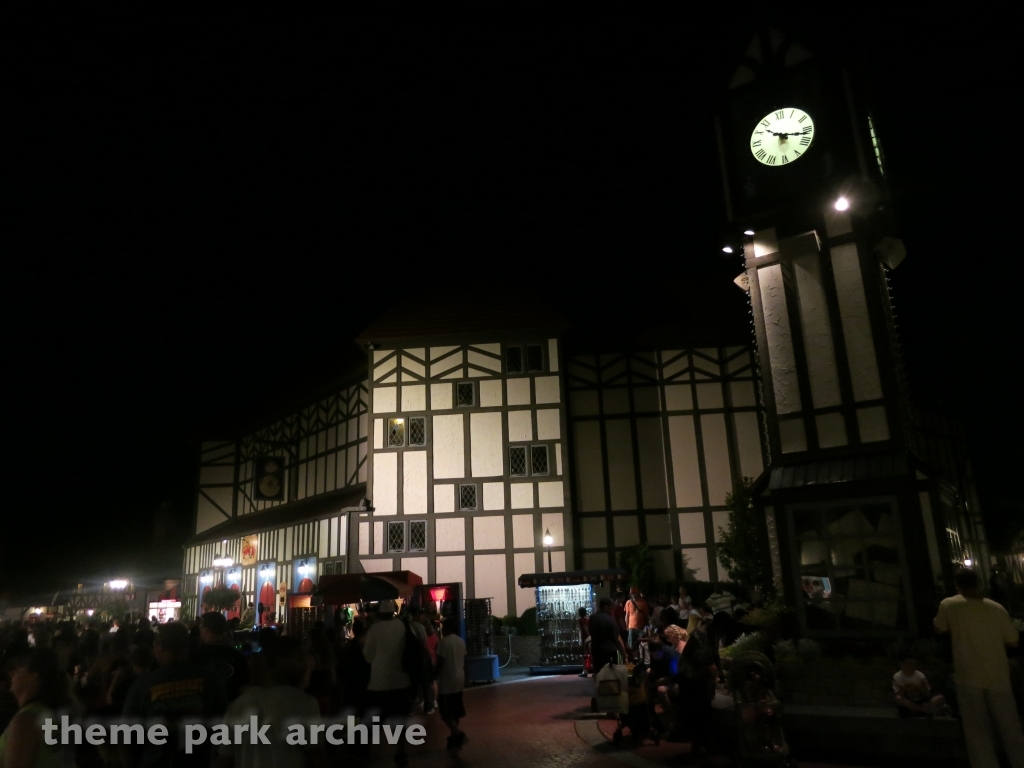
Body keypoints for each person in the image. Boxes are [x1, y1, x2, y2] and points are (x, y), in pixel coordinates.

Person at [934, 568, 1024, 768]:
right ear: (978, 583)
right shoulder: (996, 608)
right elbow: (1013, 641)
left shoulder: (949, 605)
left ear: (957, 585)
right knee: (1010, 727)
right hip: (997, 674)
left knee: (976, 732)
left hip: (968, 676)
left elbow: (939, 628)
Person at [122, 622, 228, 768]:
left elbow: (128, 736)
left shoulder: (144, 684)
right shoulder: (210, 678)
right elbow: (223, 723)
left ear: (161, 646)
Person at [217, 636, 324, 768]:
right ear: (281, 661)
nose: (304, 664)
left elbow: (225, 758)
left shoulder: (238, 704)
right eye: (299, 658)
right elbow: (316, 757)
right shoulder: (304, 703)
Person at [0, 648, 71, 768]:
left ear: (32, 676)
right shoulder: (47, 712)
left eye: (17, 669)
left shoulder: (27, 720)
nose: (11, 674)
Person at [362, 601, 412, 764]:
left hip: (378, 682)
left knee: (374, 719)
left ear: (379, 614)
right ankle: (401, 749)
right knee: (400, 719)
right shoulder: (403, 626)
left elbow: (368, 656)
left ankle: (368, 750)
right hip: (402, 680)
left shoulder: (374, 629)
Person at [192, 611, 250, 702]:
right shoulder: (237, 656)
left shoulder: (195, 656)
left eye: (200, 627)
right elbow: (244, 688)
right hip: (231, 707)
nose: (199, 630)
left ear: (207, 630)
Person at [434, 618, 468, 754]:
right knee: (456, 709)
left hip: (447, 680)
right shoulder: (460, 641)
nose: (442, 629)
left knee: (444, 710)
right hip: (459, 677)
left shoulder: (444, 642)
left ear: (447, 628)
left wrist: (433, 674)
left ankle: (457, 733)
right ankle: (455, 740)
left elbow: (440, 661)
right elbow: (465, 659)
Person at [589, 597, 630, 674]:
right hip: (609, 651)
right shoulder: (610, 619)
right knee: (611, 674)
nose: (612, 610)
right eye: (611, 607)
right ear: (606, 607)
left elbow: (590, 633)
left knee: (599, 673)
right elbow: (618, 639)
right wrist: (624, 654)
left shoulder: (592, 618)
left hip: (596, 651)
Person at [577, 608, 591, 678]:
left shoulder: (580, 620)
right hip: (588, 638)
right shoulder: (588, 619)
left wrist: (588, 636)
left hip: (584, 639)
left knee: (584, 655)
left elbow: (584, 628)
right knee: (591, 654)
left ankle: (585, 670)